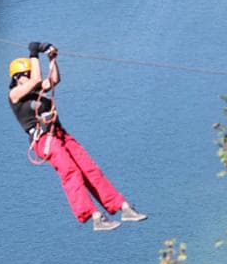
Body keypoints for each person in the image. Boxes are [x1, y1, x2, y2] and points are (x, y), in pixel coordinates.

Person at [8, 41, 147, 232]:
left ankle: (122, 207)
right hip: (44, 140)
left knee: (90, 169)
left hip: (60, 134)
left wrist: (52, 59)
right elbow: (36, 79)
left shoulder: (36, 89)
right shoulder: (15, 95)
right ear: (17, 78)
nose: (31, 77)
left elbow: (54, 80)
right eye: (26, 75)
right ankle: (94, 216)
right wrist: (34, 51)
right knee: (70, 172)